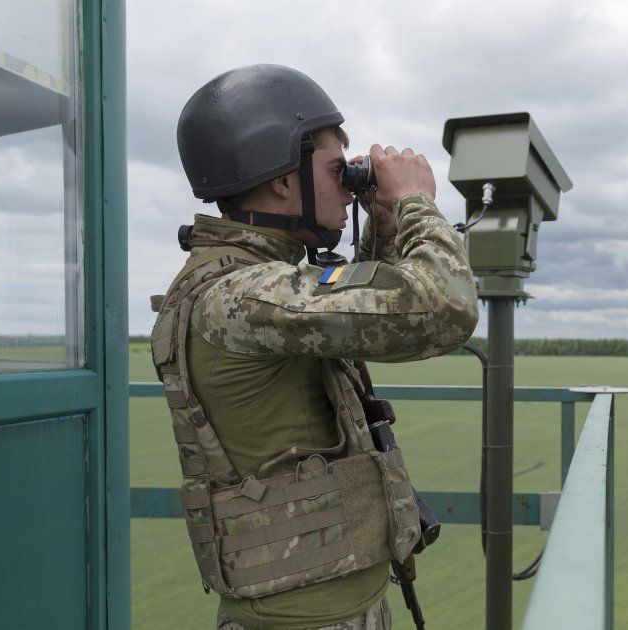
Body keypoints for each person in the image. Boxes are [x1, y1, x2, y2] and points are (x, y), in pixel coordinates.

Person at [150, 64, 478, 630]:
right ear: (282, 179)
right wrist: (417, 206)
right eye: (336, 170)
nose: (347, 186)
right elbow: (442, 309)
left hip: (323, 608)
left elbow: (359, 308)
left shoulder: (255, 286)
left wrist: (380, 222)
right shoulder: (244, 297)